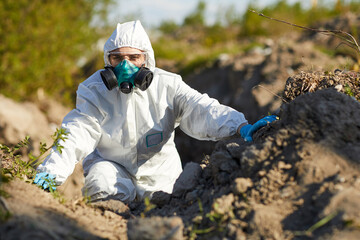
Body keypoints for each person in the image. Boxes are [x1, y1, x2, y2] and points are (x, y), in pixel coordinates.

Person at [34, 20, 276, 203]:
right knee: (100, 182)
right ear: (107, 61)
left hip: (161, 175)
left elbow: (201, 109)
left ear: (146, 59)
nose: (125, 65)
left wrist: (239, 125)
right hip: (112, 167)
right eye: (117, 58)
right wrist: (49, 174)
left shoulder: (167, 85)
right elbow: (77, 132)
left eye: (133, 57)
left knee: (166, 208)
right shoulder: (94, 90)